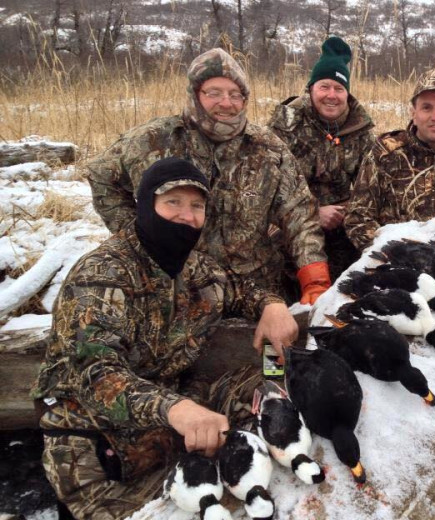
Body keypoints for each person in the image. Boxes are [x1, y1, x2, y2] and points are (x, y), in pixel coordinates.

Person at [32, 158, 268, 520]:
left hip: (172, 427)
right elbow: (97, 375)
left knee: (270, 385)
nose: (186, 216)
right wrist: (177, 410)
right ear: (145, 206)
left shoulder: (196, 268)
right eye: (173, 202)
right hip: (96, 443)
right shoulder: (103, 274)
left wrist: (274, 307)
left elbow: (240, 290)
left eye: (197, 206)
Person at [86, 48, 330, 359]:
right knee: (179, 362)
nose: (226, 103)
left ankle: (272, 398)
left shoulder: (268, 148)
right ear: (195, 93)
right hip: (177, 282)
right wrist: (137, 233)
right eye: (214, 92)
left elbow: (300, 213)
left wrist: (314, 277)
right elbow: (101, 176)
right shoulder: (154, 139)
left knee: (273, 362)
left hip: (256, 287)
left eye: (235, 94)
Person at [345, 69, 435, 251]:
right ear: (413, 112)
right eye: (426, 107)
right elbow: (357, 218)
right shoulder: (386, 154)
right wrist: (390, 252)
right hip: (396, 265)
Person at [270, 36, 375, 280]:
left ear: (347, 94)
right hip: (293, 224)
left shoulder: (362, 131)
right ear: (311, 89)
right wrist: (314, 212)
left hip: (344, 224)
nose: (331, 95)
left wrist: (346, 213)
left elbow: (370, 189)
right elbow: (269, 192)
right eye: (324, 87)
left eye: (339, 88)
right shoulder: (285, 127)